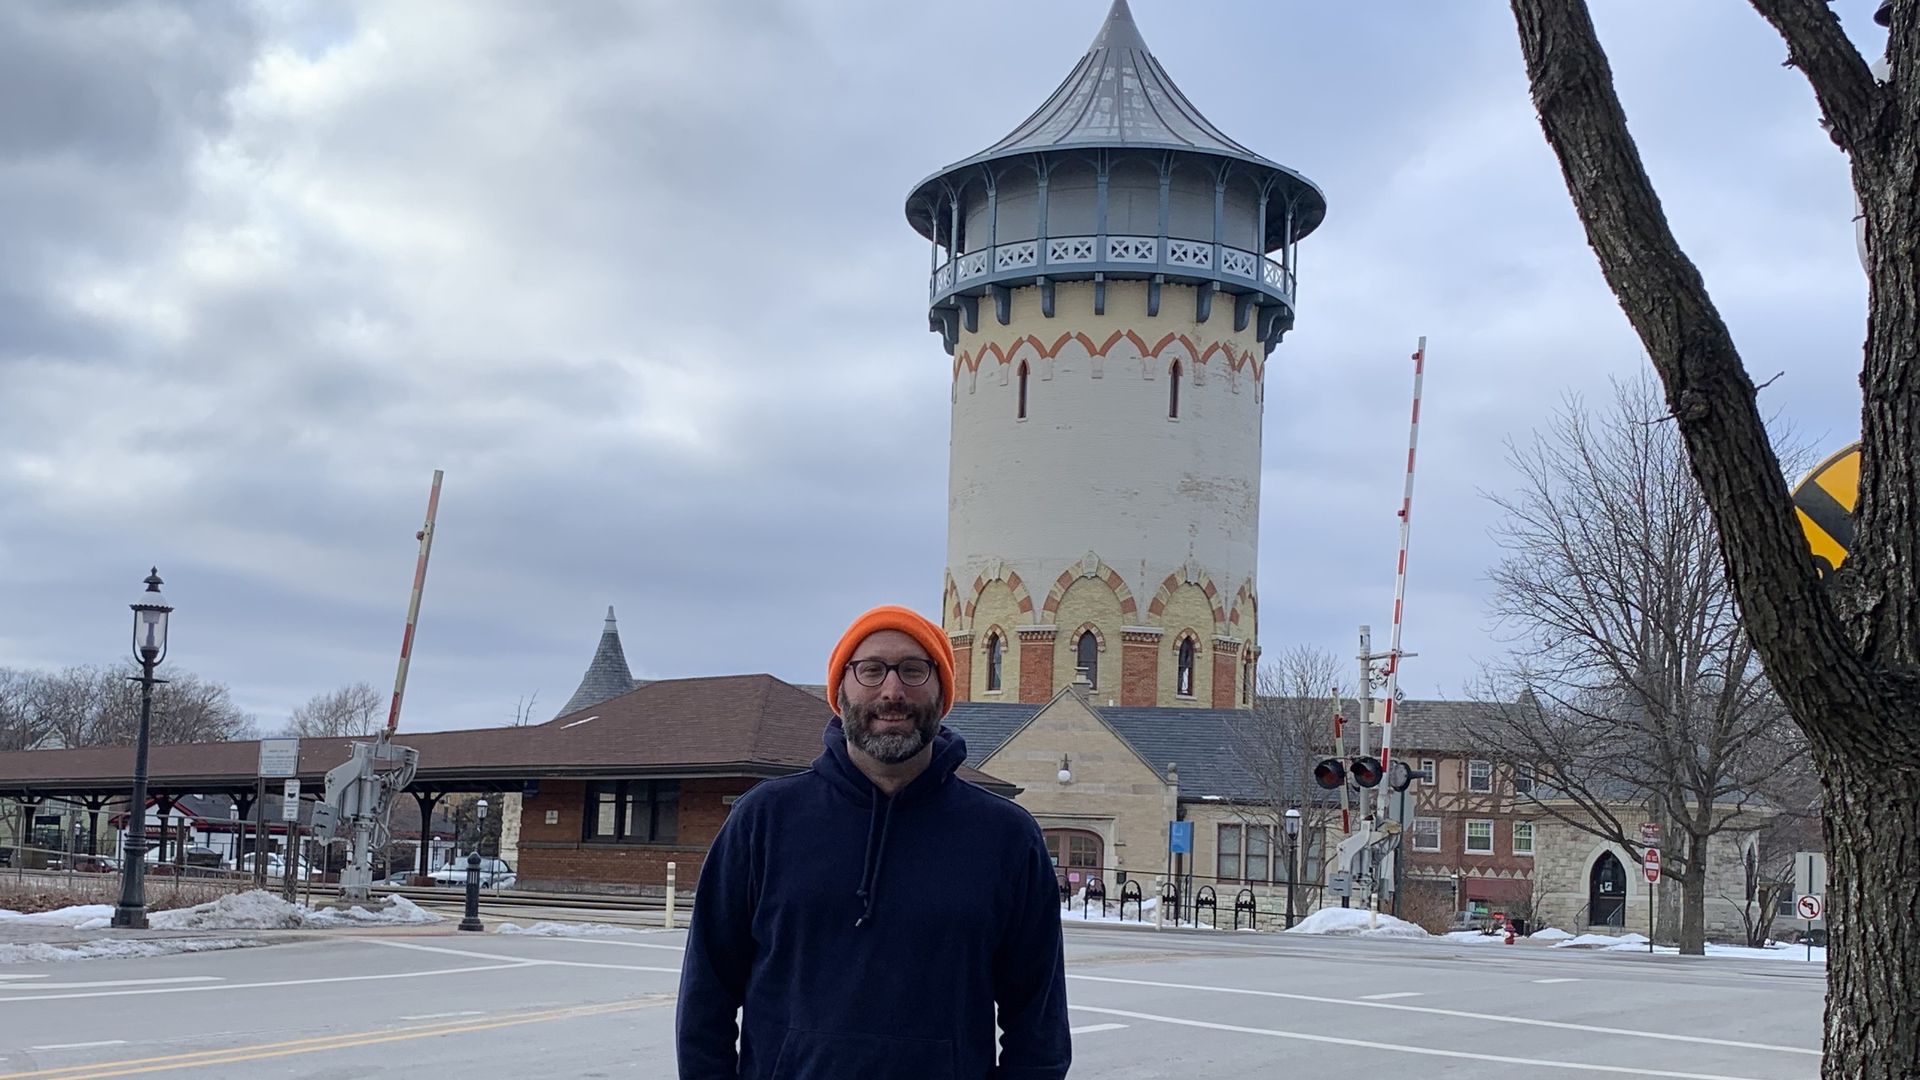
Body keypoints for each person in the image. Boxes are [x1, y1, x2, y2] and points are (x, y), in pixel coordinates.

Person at [677, 604, 1071, 1079]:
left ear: (942, 689)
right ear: (840, 691)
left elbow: (1039, 1025)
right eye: (870, 670)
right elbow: (706, 997)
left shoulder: (1006, 837)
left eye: (913, 670)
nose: (892, 691)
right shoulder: (763, 821)